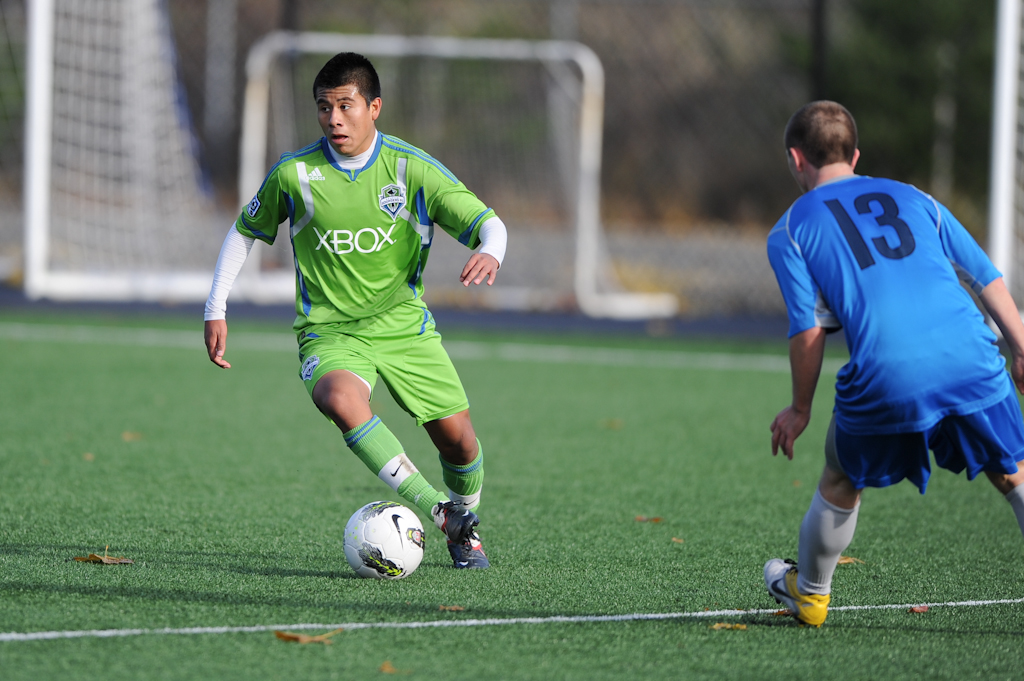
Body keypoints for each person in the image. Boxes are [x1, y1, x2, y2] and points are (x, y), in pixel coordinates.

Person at [203, 52, 508, 569]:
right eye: (324, 107)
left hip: (405, 330)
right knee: (339, 398)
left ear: (374, 107)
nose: (334, 119)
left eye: (346, 105)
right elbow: (244, 232)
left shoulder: (412, 170)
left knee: (459, 444)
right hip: (329, 334)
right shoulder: (295, 173)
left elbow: (488, 222)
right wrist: (216, 306)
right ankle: (438, 512)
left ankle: (465, 522)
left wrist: (490, 251)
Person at [763, 101, 1024, 626]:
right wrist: (1019, 347)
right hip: (971, 355)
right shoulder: (917, 199)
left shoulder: (789, 230)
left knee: (841, 478)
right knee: (1014, 474)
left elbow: (808, 329)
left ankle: (810, 594)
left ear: (795, 159)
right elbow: (984, 277)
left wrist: (799, 408)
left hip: (888, 372)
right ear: (856, 155)